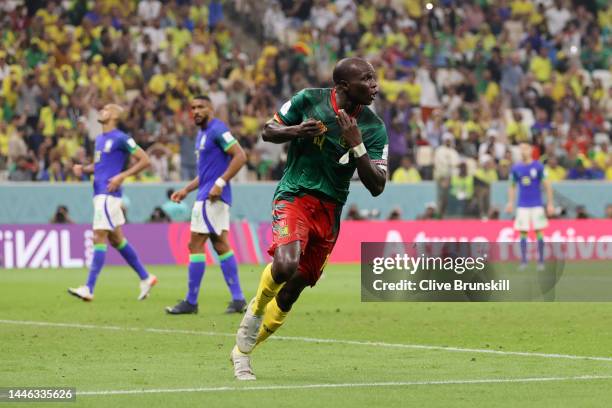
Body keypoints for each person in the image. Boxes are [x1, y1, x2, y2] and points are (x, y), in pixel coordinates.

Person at [231, 57, 388, 380]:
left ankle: (242, 352)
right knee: (286, 265)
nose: (375, 86)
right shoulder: (309, 100)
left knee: (292, 291)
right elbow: (267, 131)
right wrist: (296, 131)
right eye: (368, 79)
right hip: (295, 195)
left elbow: (377, 186)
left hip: (330, 212)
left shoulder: (372, 128)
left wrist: (357, 144)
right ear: (343, 86)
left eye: (375, 79)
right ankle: (255, 311)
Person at [165, 95, 248, 315]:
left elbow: (240, 156)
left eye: (201, 107)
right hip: (208, 194)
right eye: (192, 108)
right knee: (220, 244)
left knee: (195, 245)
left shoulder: (217, 130)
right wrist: (186, 189)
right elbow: (205, 173)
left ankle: (191, 301)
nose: (196, 111)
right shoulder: (202, 134)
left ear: (211, 109)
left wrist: (220, 183)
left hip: (211, 197)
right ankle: (238, 299)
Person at [68, 104, 157, 301]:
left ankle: (89, 288)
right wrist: (83, 169)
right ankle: (145, 277)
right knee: (116, 239)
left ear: (116, 115)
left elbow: (145, 160)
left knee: (99, 236)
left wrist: (121, 176)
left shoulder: (122, 138)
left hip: (108, 195)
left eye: (108, 109)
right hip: (99, 194)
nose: (102, 110)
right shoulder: (99, 139)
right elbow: (99, 166)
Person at [505, 142, 554, 271]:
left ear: (531, 150)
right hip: (522, 205)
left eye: (525, 148)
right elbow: (512, 186)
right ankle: (524, 261)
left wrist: (550, 203)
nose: (523, 151)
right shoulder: (516, 168)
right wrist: (510, 202)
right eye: (521, 149)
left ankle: (541, 261)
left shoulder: (538, 166)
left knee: (539, 231)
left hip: (536, 204)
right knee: (523, 232)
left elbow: (547, 185)